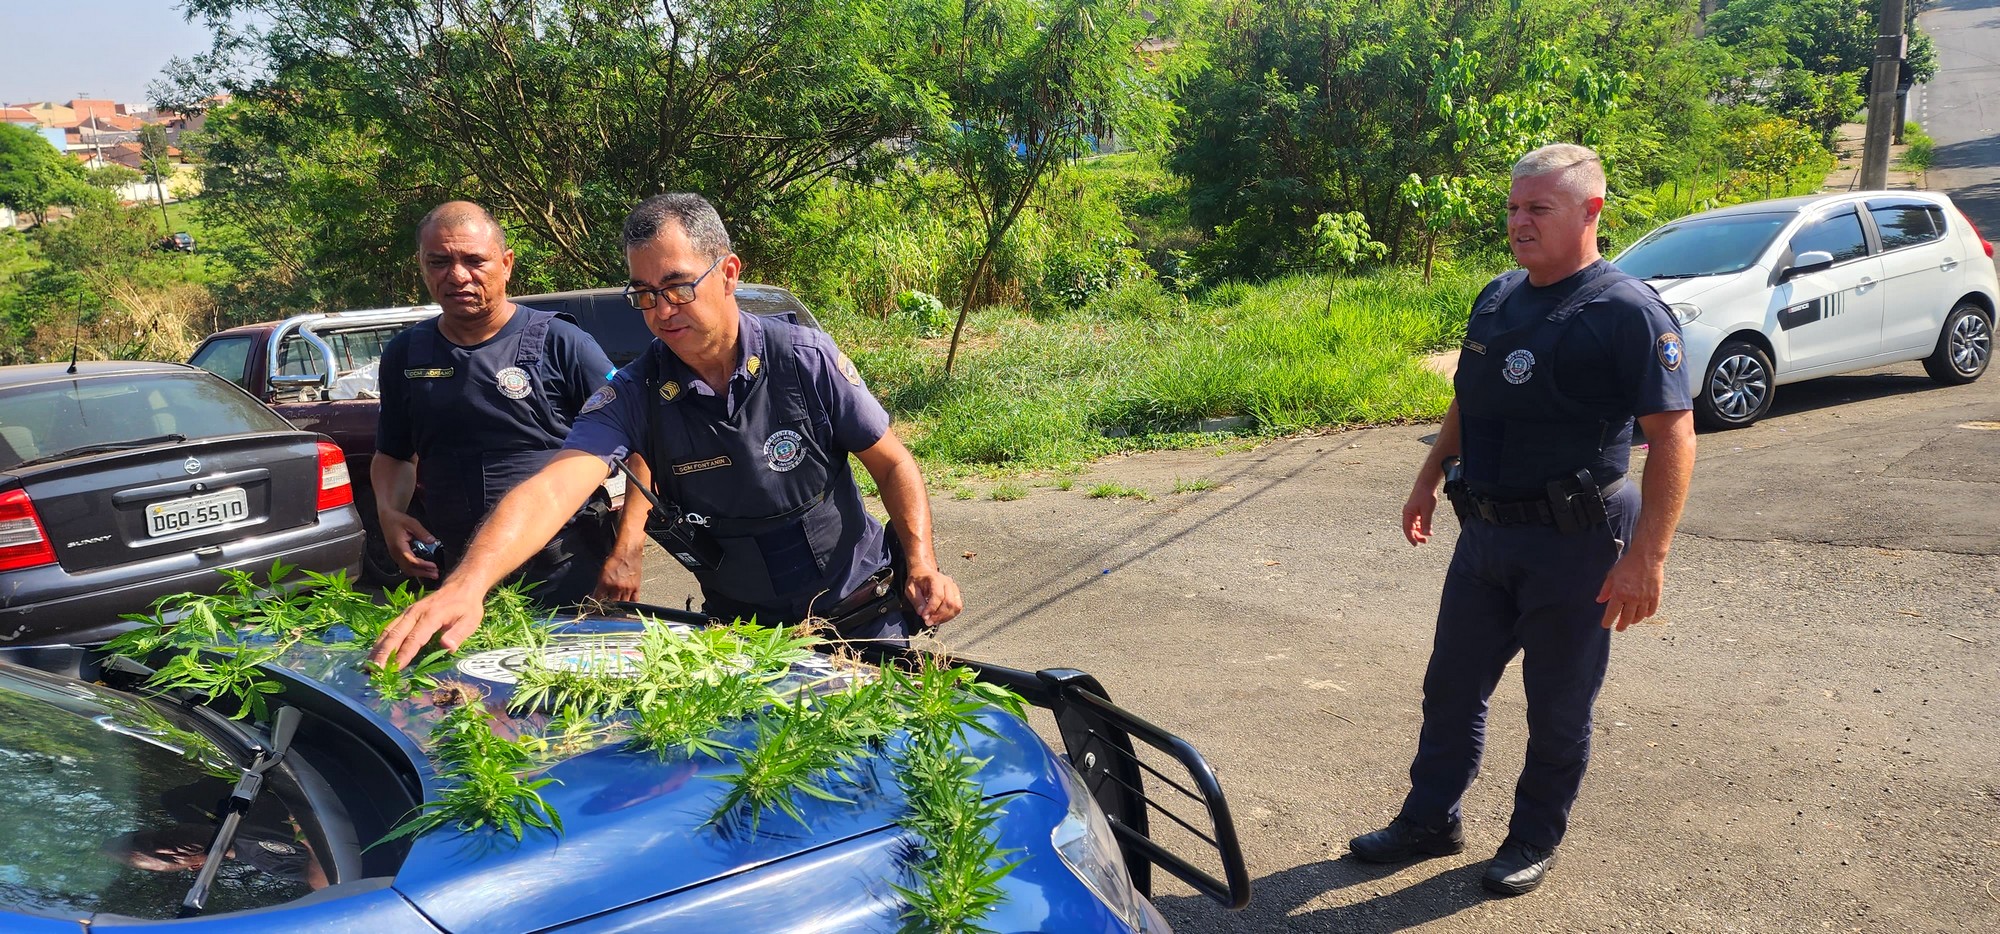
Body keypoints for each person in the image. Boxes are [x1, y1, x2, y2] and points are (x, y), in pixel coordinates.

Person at [371, 193, 961, 668]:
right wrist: (468, 584)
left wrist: (923, 561)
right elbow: (557, 485)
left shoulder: (801, 357)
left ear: (727, 272)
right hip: (744, 636)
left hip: (860, 614)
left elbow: (892, 464)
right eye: (645, 295)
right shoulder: (634, 390)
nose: (663, 310)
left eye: (678, 286)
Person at [1347, 144, 1696, 896]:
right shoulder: (1499, 297)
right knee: (1451, 686)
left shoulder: (1626, 311)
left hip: (1580, 543)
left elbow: (1673, 435)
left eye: (1538, 208)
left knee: (1558, 704)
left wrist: (1649, 557)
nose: (1519, 221)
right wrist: (1427, 476)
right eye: (1513, 207)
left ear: (1590, 211)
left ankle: (1533, 837)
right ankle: (1429, 820)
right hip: (1489, 535)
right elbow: (1471, 399)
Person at [372, 201, 644, 614]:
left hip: (565, 575)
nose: (457, 275)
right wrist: (389, 514)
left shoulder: (562, 343)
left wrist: (627, 550)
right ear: (422, 267)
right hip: (455, 577)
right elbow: (394, 455)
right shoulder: (406, 355)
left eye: (474, 260)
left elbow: (644, 448)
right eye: (439, 261)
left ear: (506, 263)